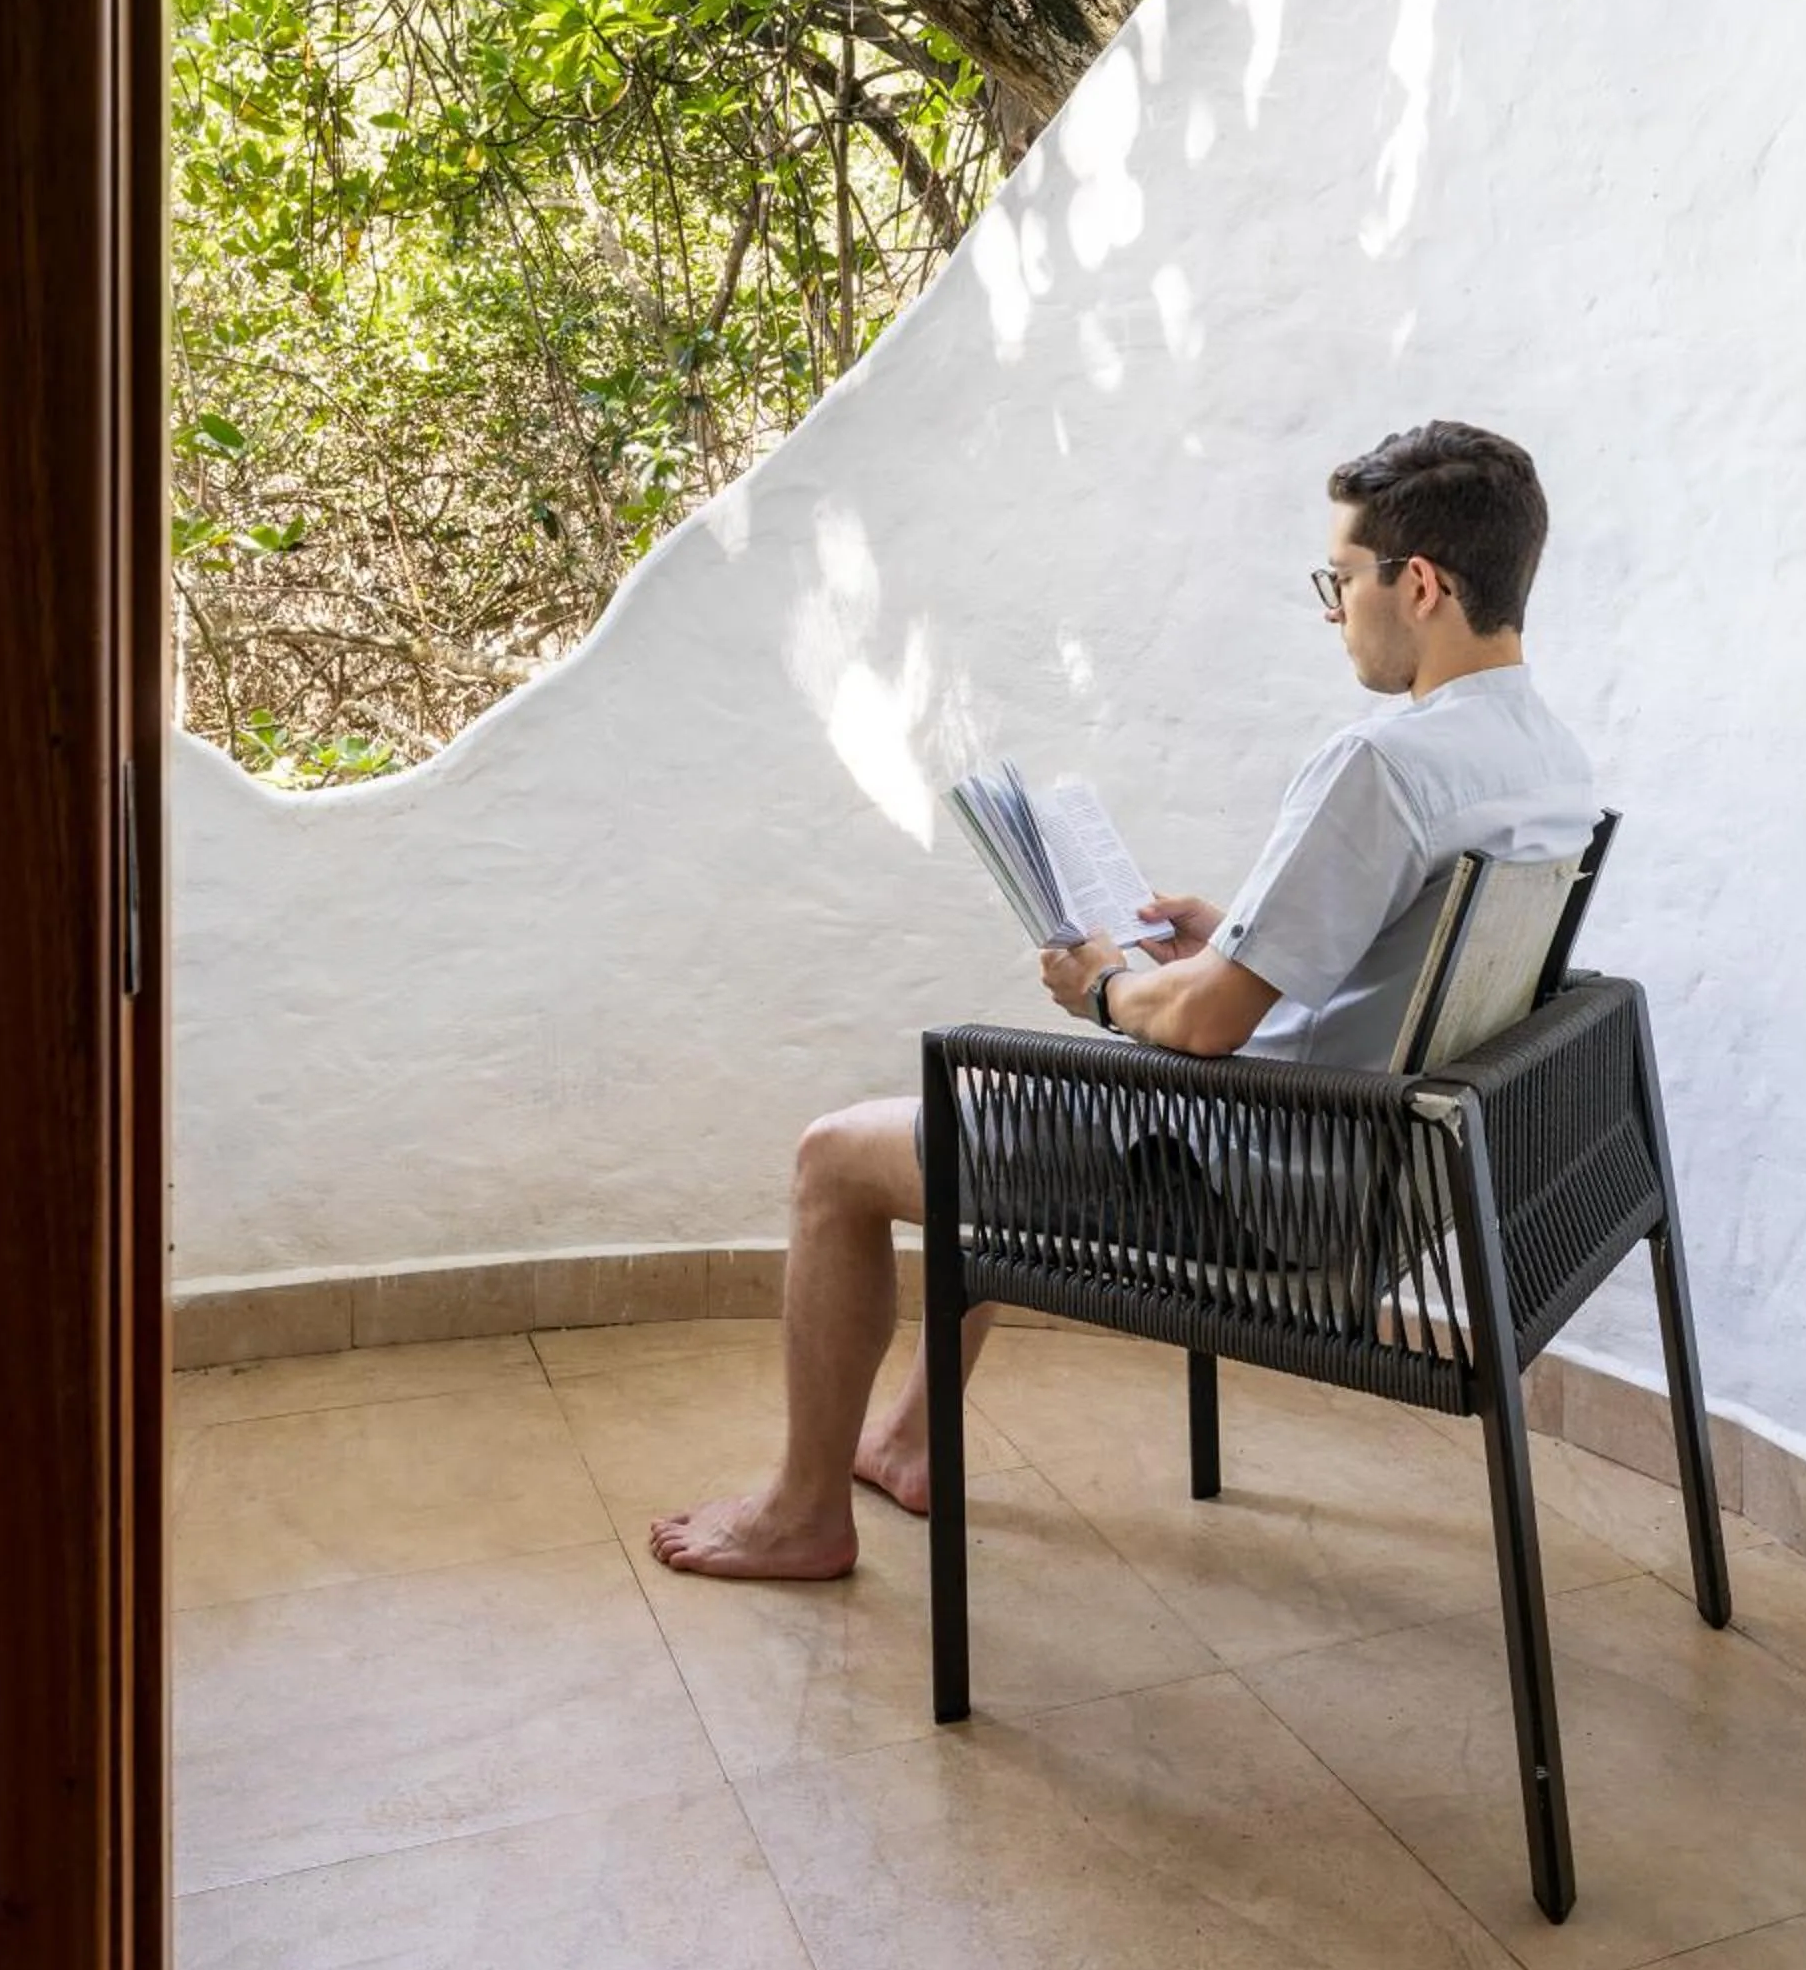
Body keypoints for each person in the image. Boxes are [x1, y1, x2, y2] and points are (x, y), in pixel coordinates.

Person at [648, 419, 1594, 1580]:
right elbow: (1385, 967)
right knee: (1002, 1125)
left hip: (1261, 1189)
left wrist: (1100, 988)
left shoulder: (1384, 762)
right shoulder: (1544, 761)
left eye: (1339, 579)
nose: (1331, 607)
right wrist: (1224, 937)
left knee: (836, 1157)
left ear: (1420, 582)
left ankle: (801, 1514)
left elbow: (1204, 1026)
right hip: (1376, 1173)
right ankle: (903, 1442)